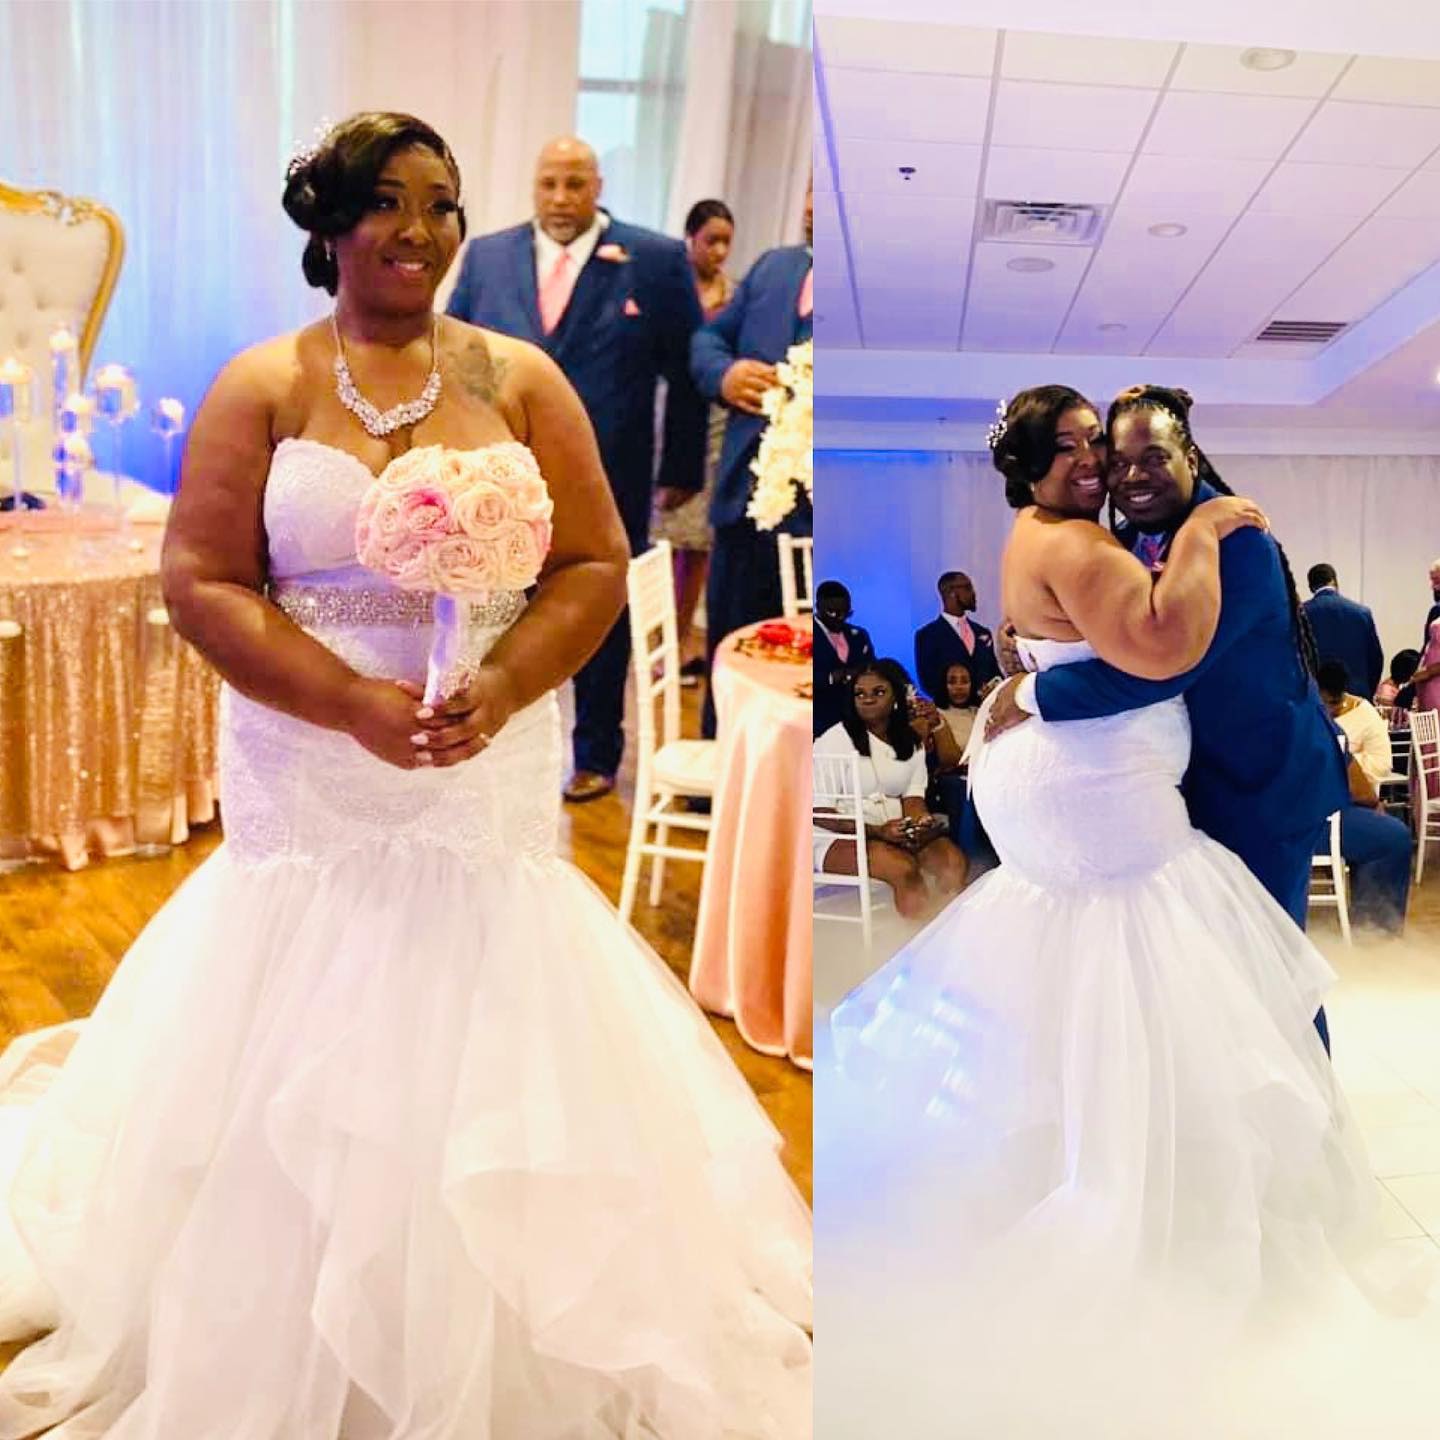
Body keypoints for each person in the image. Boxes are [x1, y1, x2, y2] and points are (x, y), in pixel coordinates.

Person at [0, 114, 810, 1438]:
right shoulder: (263, 384)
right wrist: (349, 704)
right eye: (388, 203)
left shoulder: (520, 381)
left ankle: (487, 1311)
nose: (422, 231)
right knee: (296, 1001)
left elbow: (596, 565)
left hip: (480, 756)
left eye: (441, 203)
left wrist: (500, 683)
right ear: (327, 224)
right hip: (311, 762)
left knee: (485, 997)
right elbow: (201, 581)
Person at [816, 383, 1437, 1440]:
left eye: (1151, 458)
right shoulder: (1105, 534)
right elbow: (1105, 640)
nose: (1128, 473)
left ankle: (1307, 1157)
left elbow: (1167, 661)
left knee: (1271, 989)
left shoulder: (1233, 541)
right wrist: (1023, 674)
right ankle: (1169, 1172)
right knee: (1203, 986)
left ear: (1195, 453)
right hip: (1151, 805)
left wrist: (1028, 694)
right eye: (1110, 454)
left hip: (1257, 787)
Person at [447, 136, 708, 803]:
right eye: (549, 185)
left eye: (574, 185)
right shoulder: (489, 255)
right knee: (501, 602)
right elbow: (453, 349)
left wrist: (680, 467)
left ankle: (594, 750)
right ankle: (492, 737)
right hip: (499, 475)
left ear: (597, 186)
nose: (561, 199)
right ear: (533, 187)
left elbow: (683, 373)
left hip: (608, 471)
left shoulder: (653, 260)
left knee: (599, 606)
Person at [691, 179, 813, 738]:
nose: (810, 206)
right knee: (730, 643)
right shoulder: (774, 267)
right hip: (743, 500)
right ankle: (719, 777)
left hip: (814, 517)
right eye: (809, 192)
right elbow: (707, 342)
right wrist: (727, 373)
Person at [653, 199, 736, 685]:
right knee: (662, 539)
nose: (720, 251)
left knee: (698, 544)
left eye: (727, 241)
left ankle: (683, 640)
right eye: (711, 240)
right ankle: (655, 638)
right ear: (690, 239)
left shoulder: (735, 295)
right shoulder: (669, 288)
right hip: (671, 420)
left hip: (718, 426)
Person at [813, 658, 966, 919]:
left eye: (878, 692)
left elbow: (914, 799)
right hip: (839, 835)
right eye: (860, 693)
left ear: (896, 696)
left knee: (952, 862)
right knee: (902, 866)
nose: (867, 699)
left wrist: (921, 825)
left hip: (894, 828)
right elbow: (819, 812)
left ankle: (944, 936)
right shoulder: (836, 738)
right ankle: (913, 942)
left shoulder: (910, 742)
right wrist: (877, 831)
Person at [1316, 661, 1412, 935]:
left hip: (1253, 818)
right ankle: (1375, 931)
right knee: (1391, 838)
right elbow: (1359, 788)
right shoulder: (1318, 722)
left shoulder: (1283, 711)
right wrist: (1373, 802)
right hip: (1310, 820)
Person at [912, 571, 1001, 703]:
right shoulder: (927, 635)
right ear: (951, 593)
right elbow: (928, 680)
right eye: (967, 588)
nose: (973, 593)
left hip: (986, 711)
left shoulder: (982, 632)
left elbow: (994, 672)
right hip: (950, 714)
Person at [1302, 562, 1384, 699]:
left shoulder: (1301, 614)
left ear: (1311, 586)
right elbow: (1376, 658)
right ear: (1335, 582)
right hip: (1357, 696)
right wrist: (1366, 691)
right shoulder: (1362, 613)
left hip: (1316, 698)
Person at [812, 578, 874, 737]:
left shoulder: (859, 635)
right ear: (818, 607)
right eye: (833, 612)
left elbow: (872, 666)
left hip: (857, 722)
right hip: (819, 722)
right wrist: (831, 678)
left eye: (846, 613)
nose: (840, 618)